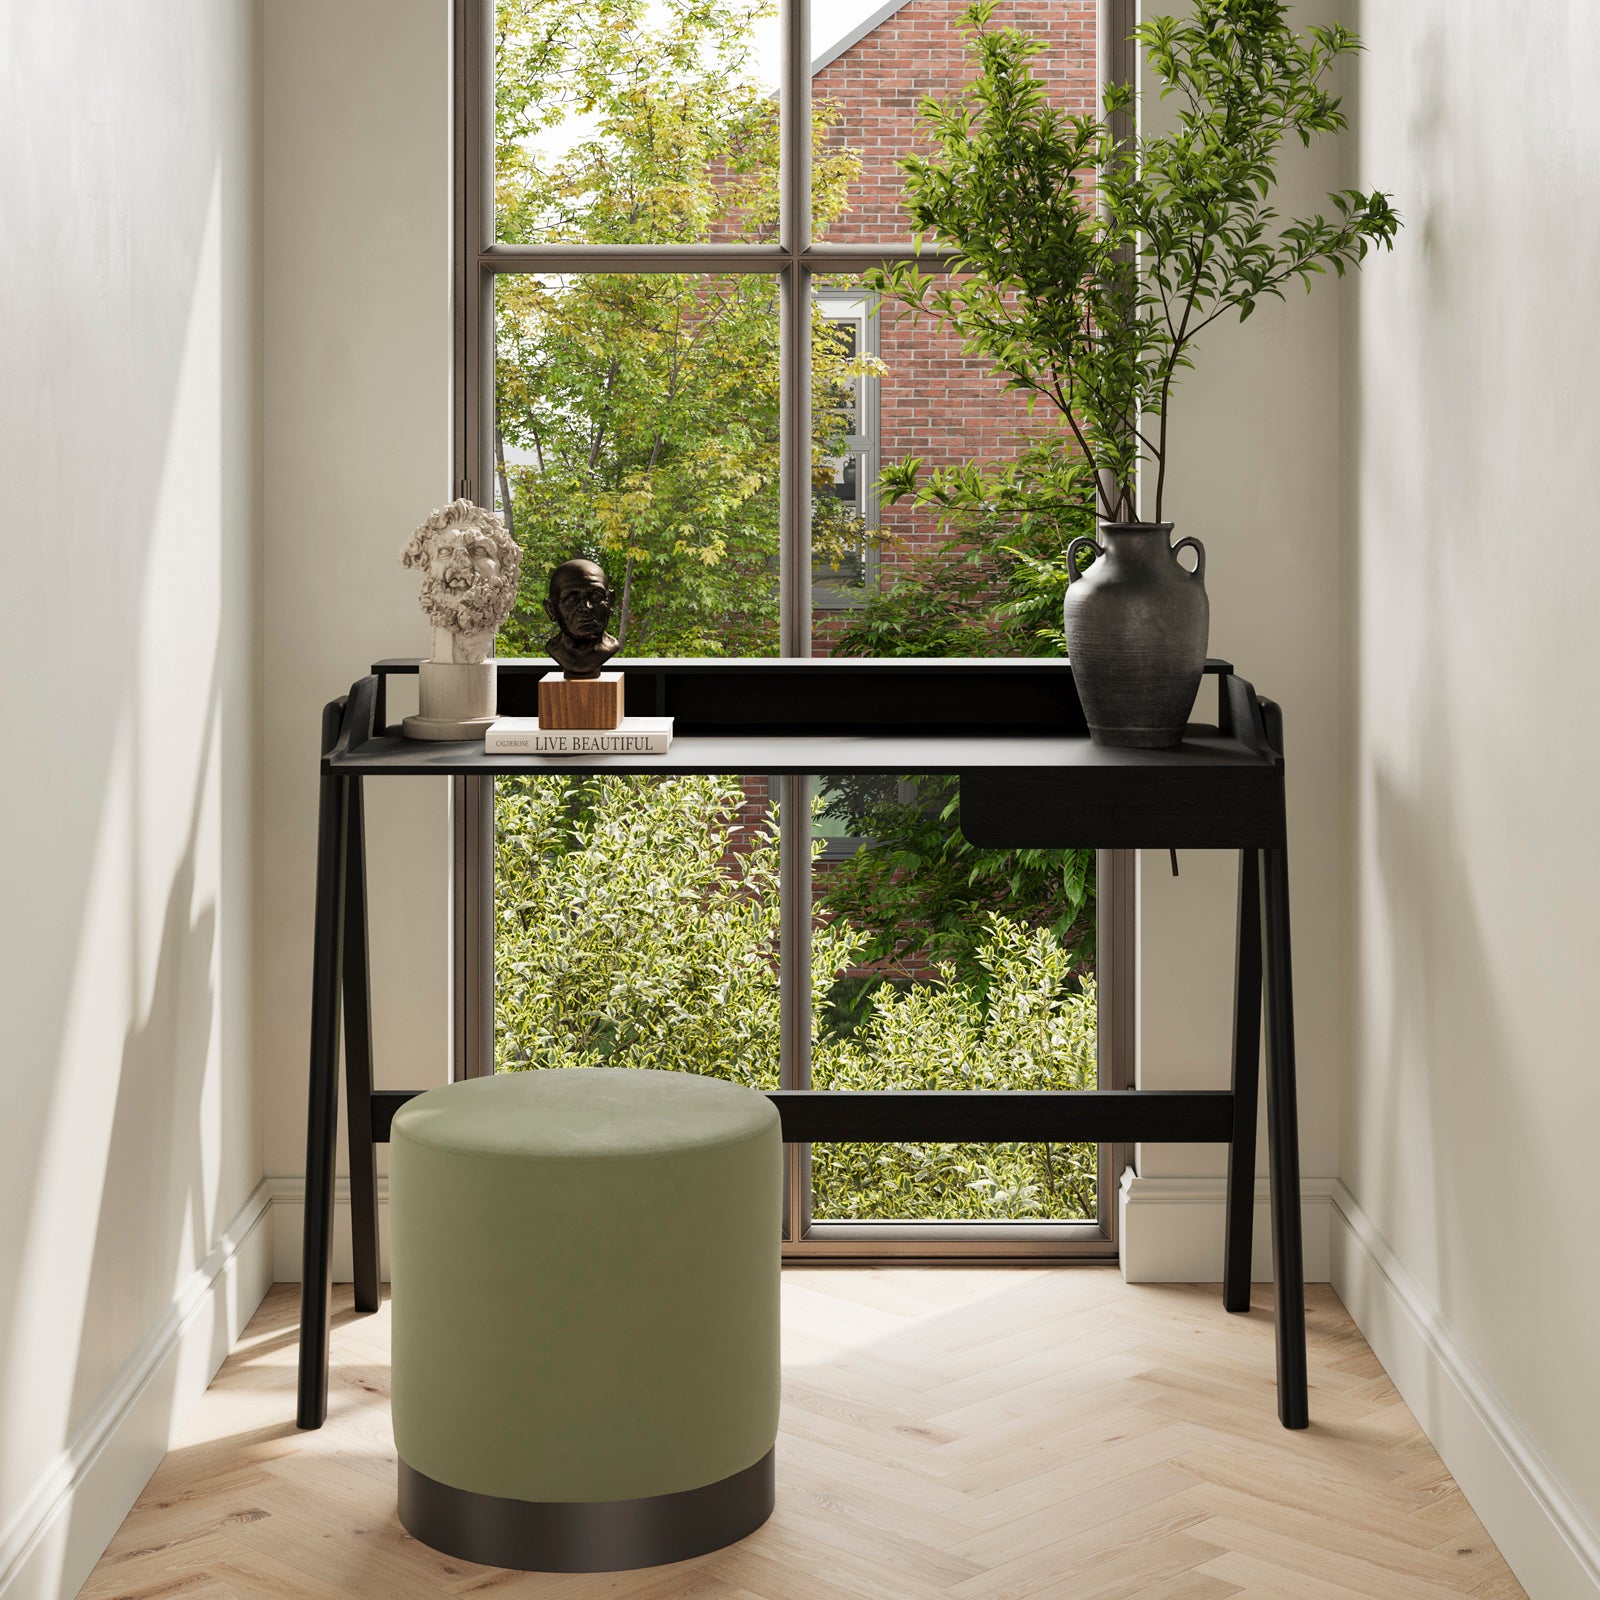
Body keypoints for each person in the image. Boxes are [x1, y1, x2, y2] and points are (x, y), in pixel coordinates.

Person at [544, 558, 620, 678]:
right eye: (572, 599)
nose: (586, 607)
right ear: (551, 609)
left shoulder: (610, 647)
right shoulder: (555, 649)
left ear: (610, 602)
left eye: (595, 596)